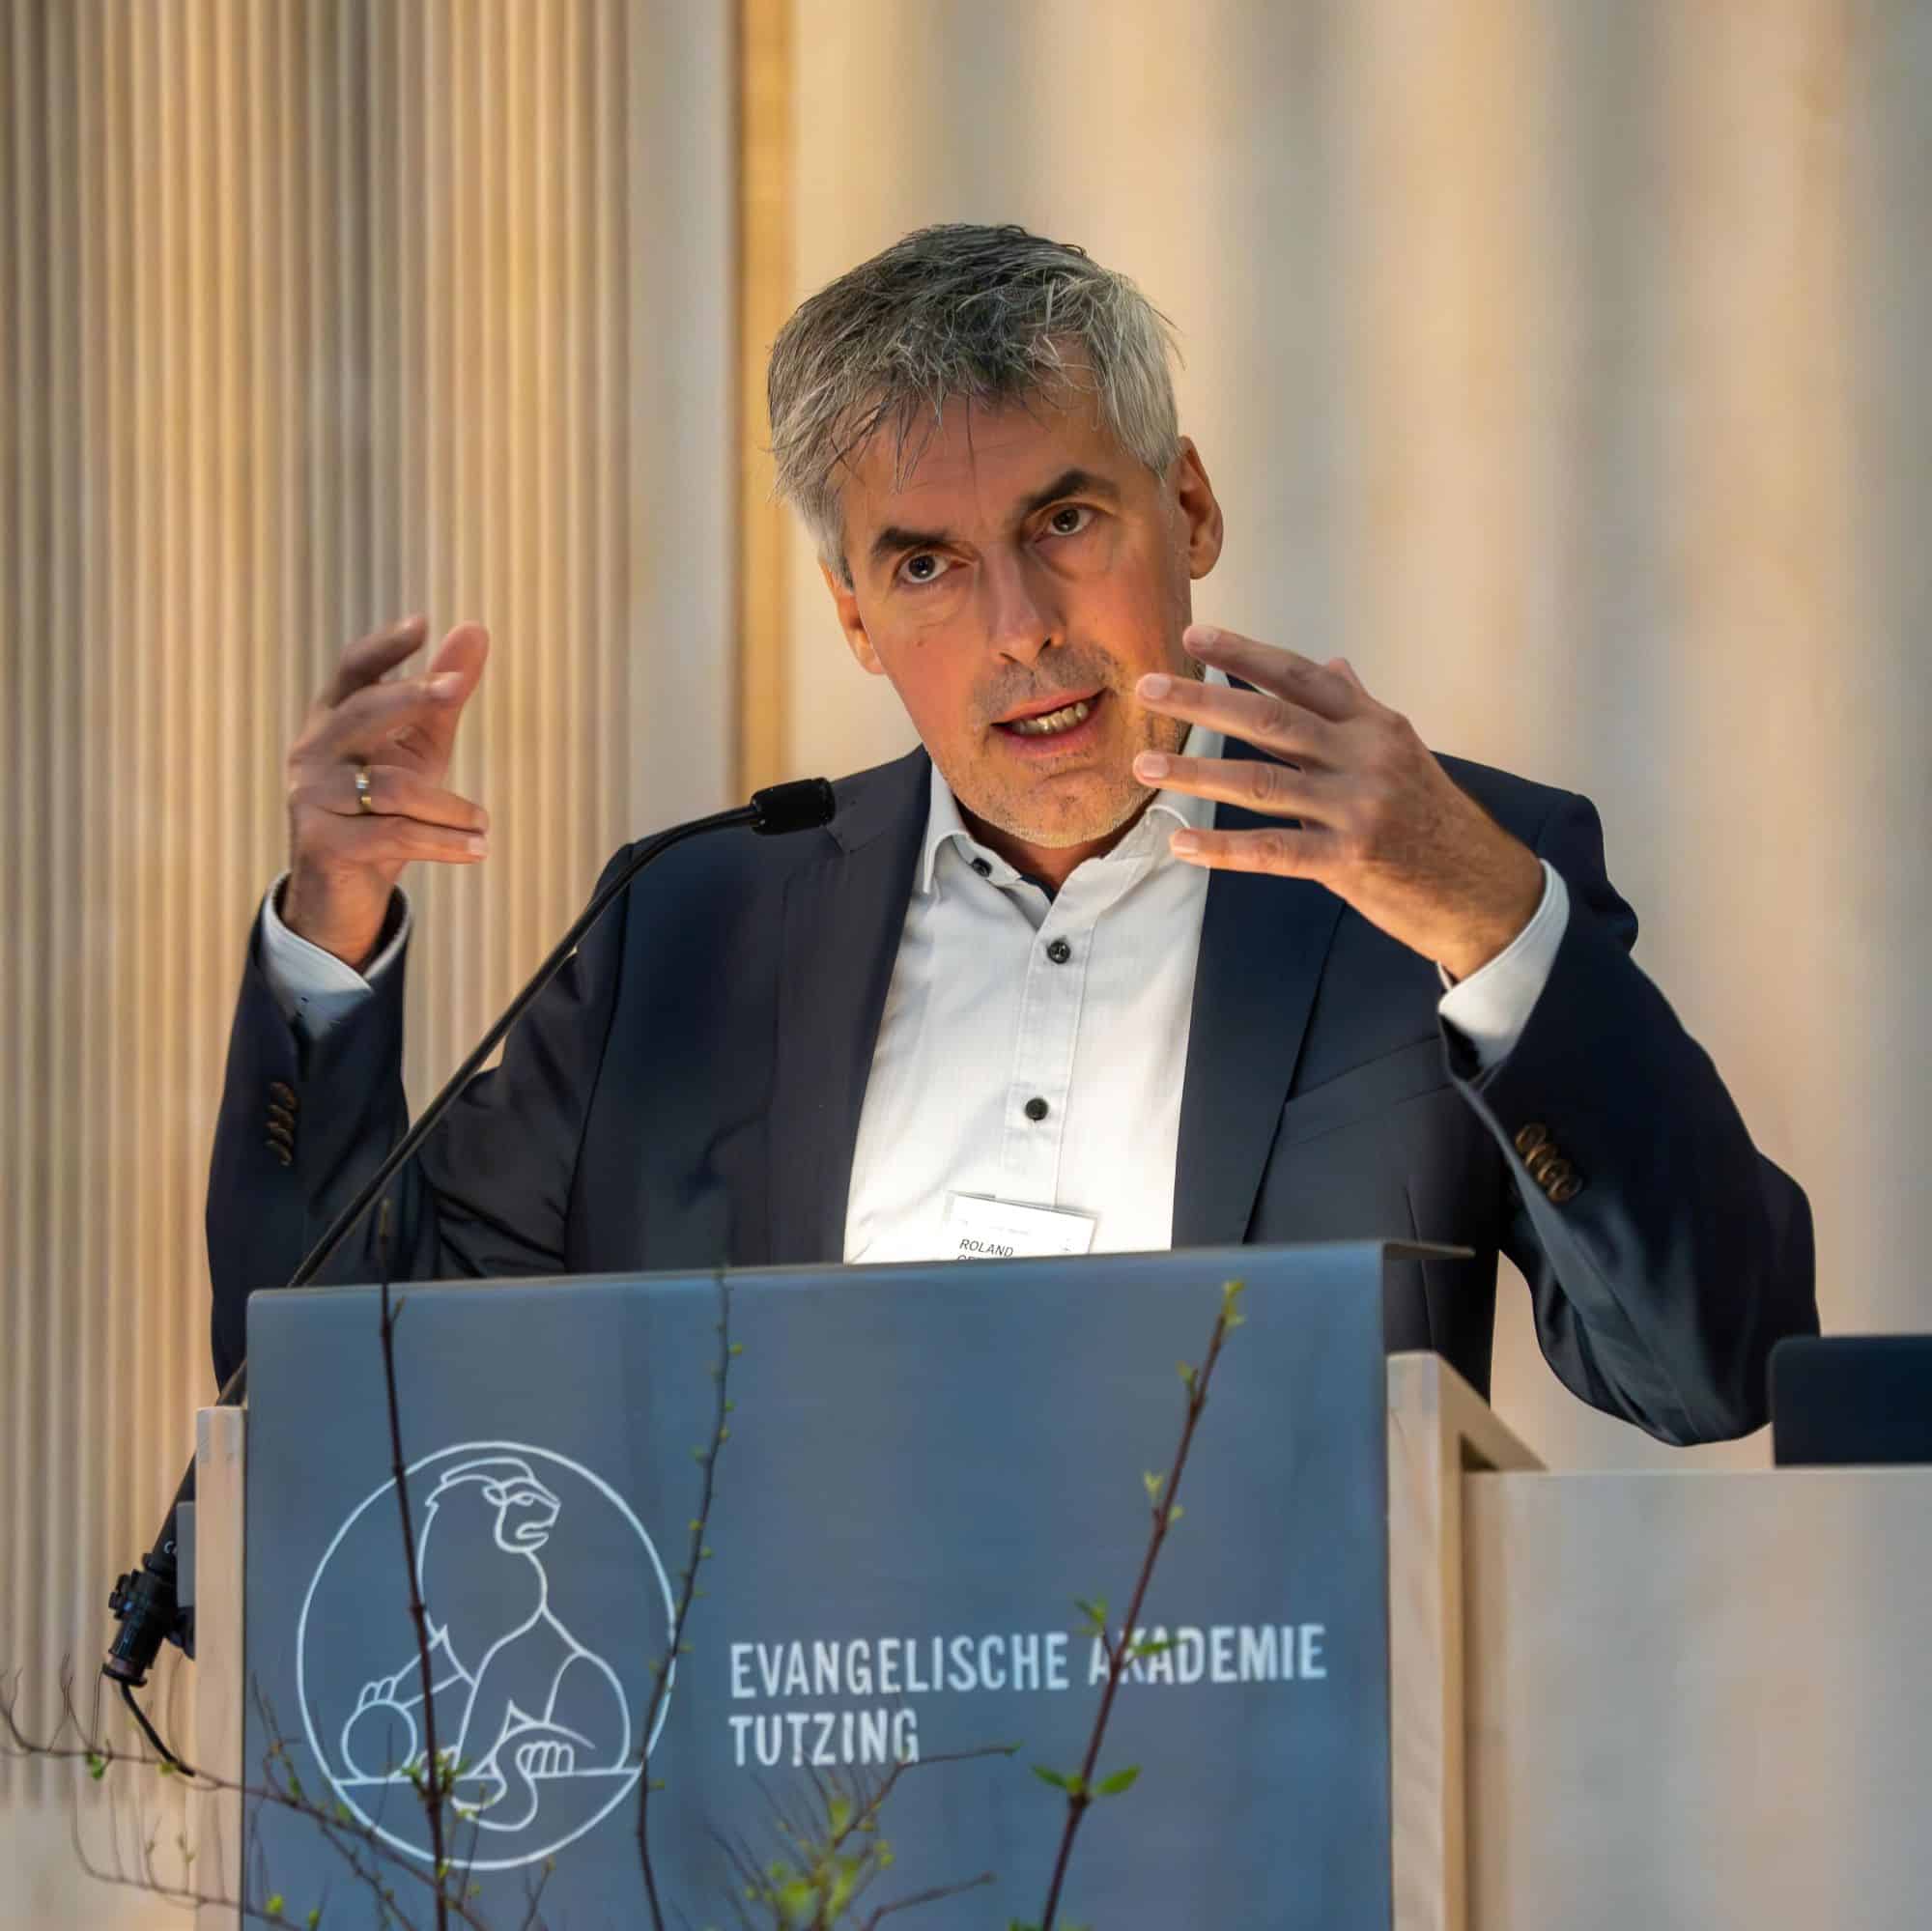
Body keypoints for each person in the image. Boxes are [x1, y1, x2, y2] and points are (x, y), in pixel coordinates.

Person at [210, 223, 1815, 1444]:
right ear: (853, 615)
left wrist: (1488, 921)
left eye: (1067, 522)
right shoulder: (688, 926)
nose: (1020, 629)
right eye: (926, 566)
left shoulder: (1441, 879)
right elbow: (336, 1392)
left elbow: (1710, 1367)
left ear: (1189, 509)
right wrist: (332, 926)